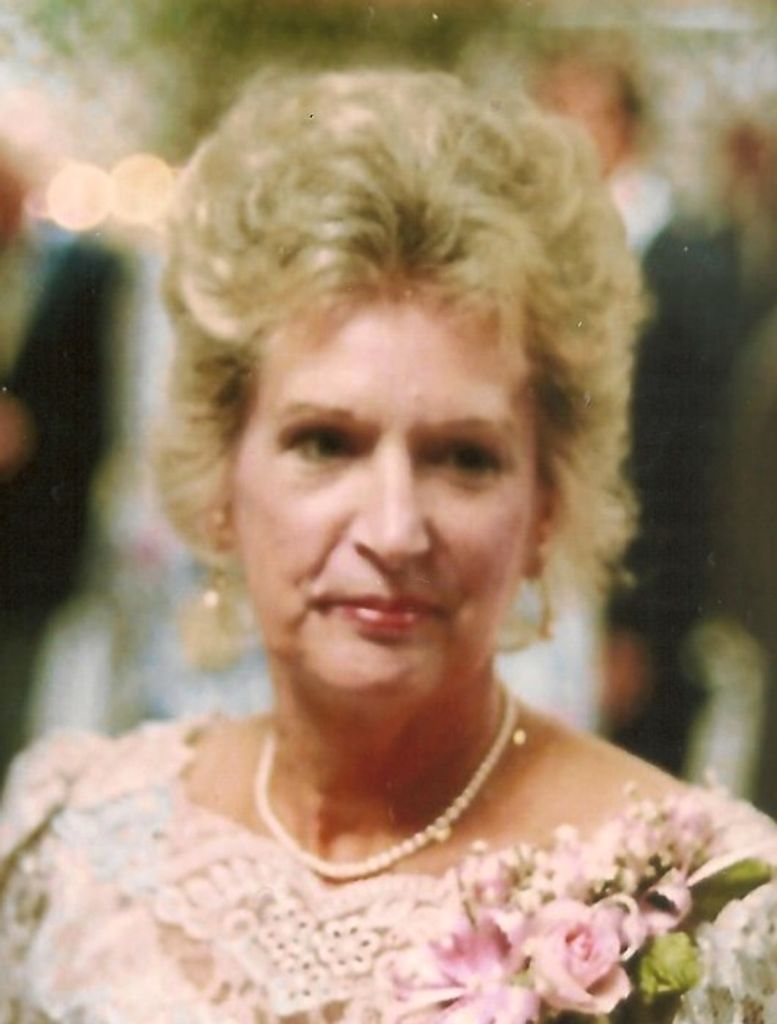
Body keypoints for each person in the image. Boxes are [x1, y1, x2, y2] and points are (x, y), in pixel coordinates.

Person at [1, 68, 777, 1023]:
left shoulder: (711, 910)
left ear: (546, 505)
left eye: (464, 458)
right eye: (324, 443)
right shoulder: (72, 840)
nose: (393, 530)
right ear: (219, 476)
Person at [0, 141, 124, 781]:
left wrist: (32, 436)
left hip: (28, 548)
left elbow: (95, 417)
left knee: (11, 699)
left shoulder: (77, 276)